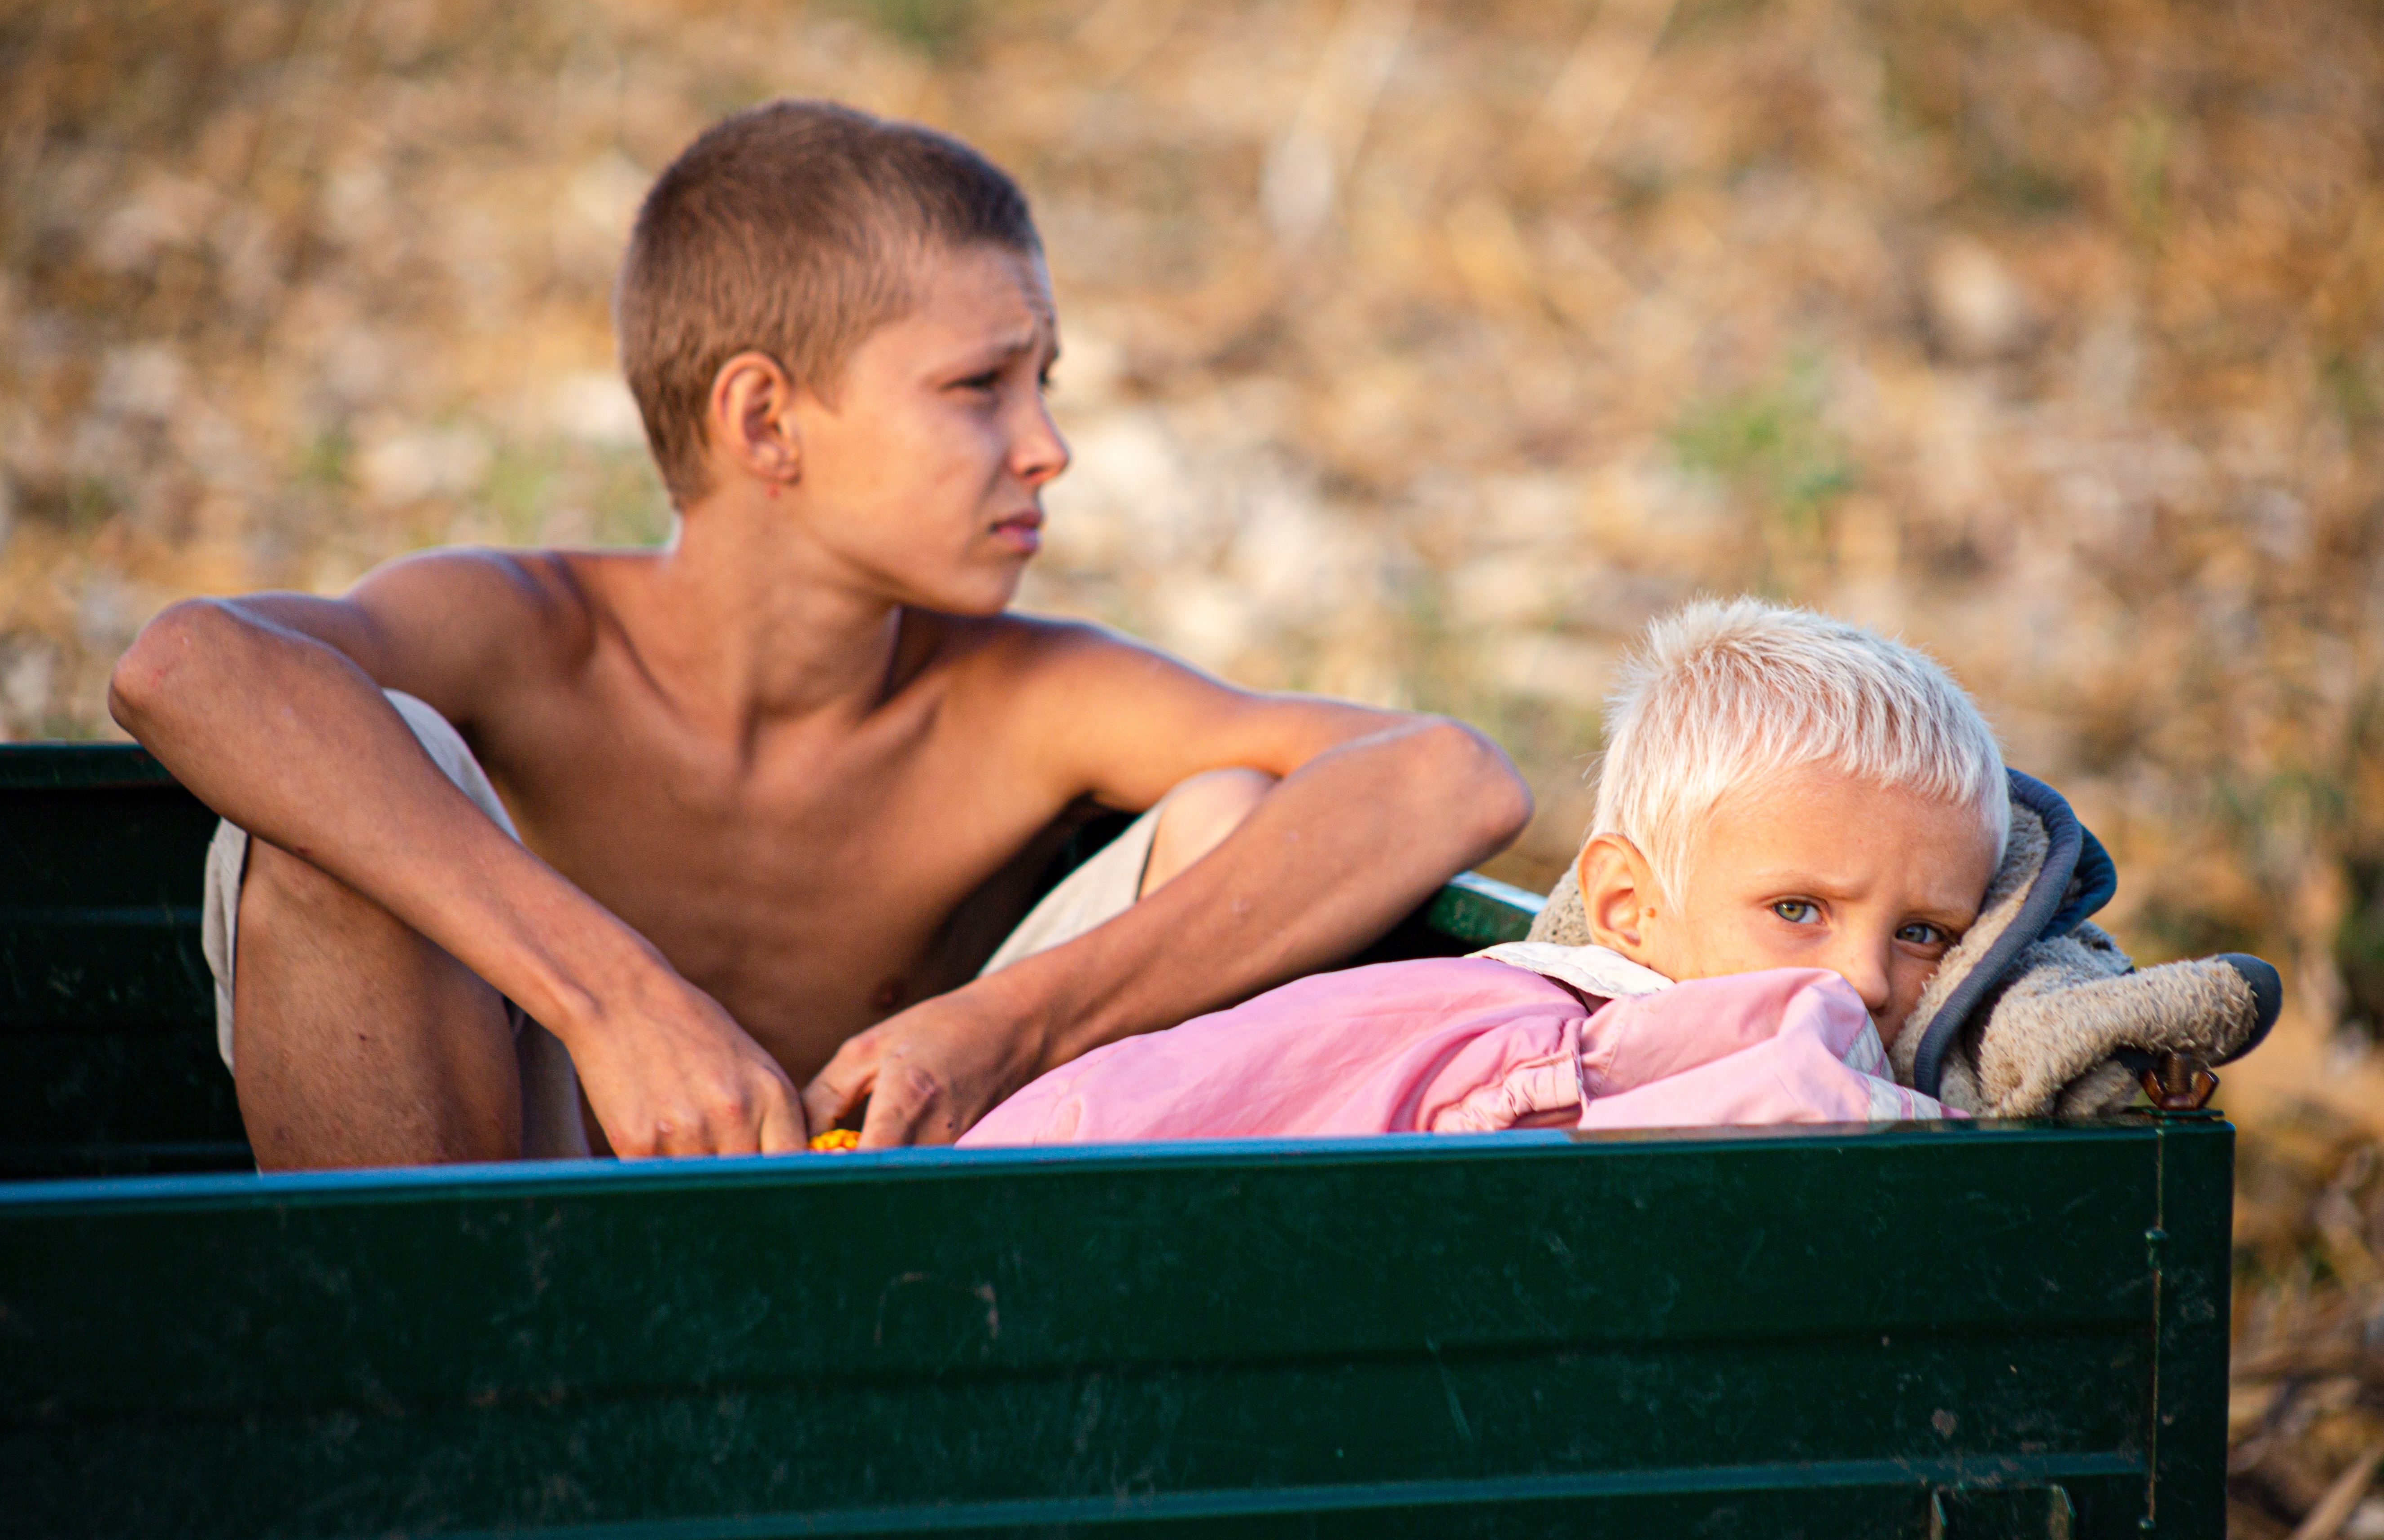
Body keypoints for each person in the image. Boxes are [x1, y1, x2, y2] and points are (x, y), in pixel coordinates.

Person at [107, 100, 1533, 1168]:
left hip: (934, 1243)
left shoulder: (1023, 697)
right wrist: (618, 1002)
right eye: (979, 387)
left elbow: (1446, 776)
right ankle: (427, 1428)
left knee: (1235, 810)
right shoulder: (528, 634)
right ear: (764, 421)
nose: (1047, 447)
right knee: (347, 773)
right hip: (515, 1248)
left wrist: (1004, 1027)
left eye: (1046, 382)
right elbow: (186, 664)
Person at [962, 597, 2018, 1143]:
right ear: (1625, 908)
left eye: (1924, 932)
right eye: (1797, 909)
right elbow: (1791, 1096)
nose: (1866, 981)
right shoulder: (1576, 1050)